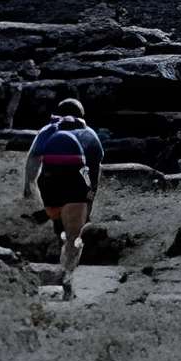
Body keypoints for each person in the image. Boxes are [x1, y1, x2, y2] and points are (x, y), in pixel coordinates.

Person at [21, 98, 104, 297]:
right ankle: (68, 278)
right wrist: (91, 194)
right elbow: (95, 167)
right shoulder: (90, 134)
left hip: (49, 186)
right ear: (82, 115)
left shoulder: (48, 130)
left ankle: (59, 261)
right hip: (75, 187)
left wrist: (28, 186)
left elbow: (33, 158)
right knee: (74, 237)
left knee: (61, 230)